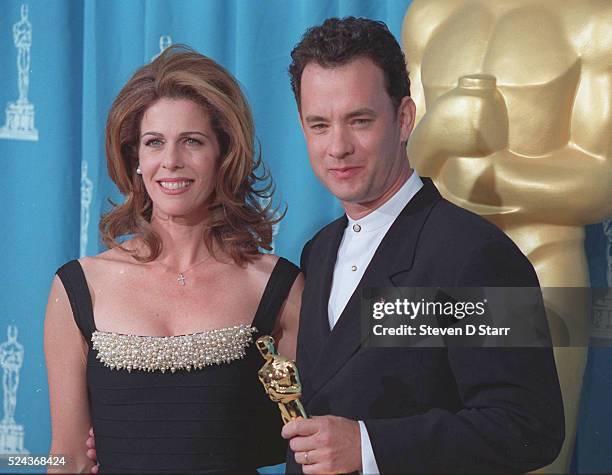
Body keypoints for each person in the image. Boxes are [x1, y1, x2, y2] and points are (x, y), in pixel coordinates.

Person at [281, 17, 564, 474]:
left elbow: (528, 427)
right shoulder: (318, 249)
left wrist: (368, 447)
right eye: (319, 125)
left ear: (405, 118)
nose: (338, 146)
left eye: (360, 120)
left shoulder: (477, 254)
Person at [44, 45, 302, 474]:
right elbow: (67, 458)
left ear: (224, 153)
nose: (171, 162)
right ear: (136, 159)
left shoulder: (277, 286)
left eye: (192, 142)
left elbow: (304, 440)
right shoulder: (78, 287)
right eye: (154, 143)